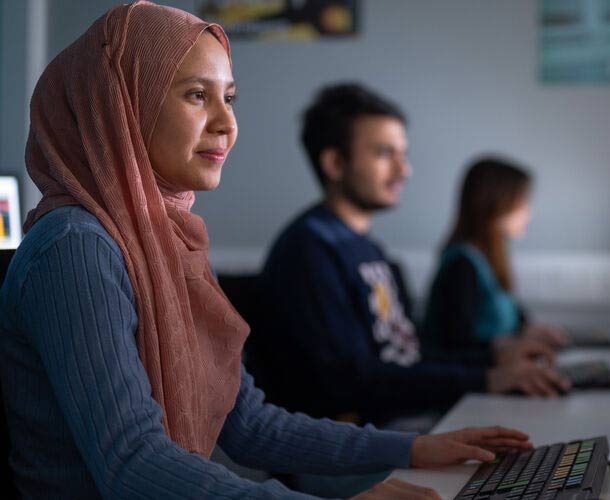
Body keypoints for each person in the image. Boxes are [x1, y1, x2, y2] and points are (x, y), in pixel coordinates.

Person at [0, 3, 532, 498]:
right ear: (121, 106)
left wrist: (414, 447)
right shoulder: (75, 248)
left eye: (228, 98)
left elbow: (250, 423)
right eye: (195, 94)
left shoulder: (163, 242)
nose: (227, 123)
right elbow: (131, 463)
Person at [255, 83, 569, 428]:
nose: (404, 170)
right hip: (349, 444)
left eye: (403, 155)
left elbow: (407, 357)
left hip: (395, 424)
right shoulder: (309, 253)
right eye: (384, 154)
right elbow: (352, 382)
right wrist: (485, 378)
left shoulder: (367, 250)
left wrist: (494, 359)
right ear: (334, 162)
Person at [422, 158, 567, 366]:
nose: (529, 212)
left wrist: (529, 330)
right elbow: (455, 344)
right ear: (497, 202)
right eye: (523, 201)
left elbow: (512, 315)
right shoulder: (462, 265)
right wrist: (508, 346)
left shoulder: (486, 260)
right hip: (469, 390)